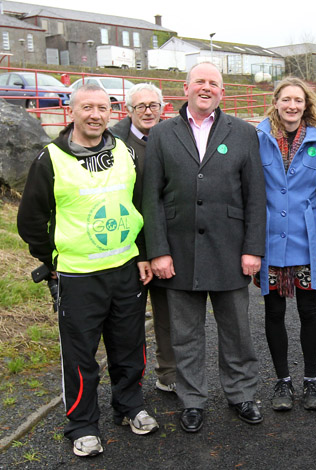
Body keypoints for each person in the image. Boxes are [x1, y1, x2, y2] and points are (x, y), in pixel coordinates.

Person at [17, 84, 159, 458]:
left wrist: (142, 253)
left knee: (130, 348)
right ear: (72, 110)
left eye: (102, 107)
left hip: (125, 269)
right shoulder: (50, 159)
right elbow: (31, 220)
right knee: (80, 356)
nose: (95, 114)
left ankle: (130, 407)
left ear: (110, 112)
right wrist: (52, 260)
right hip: (77, 277)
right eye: (87, 107)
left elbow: (138, 207)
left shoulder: (126, 152)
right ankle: (82, 425)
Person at [142, 62, 267, 433]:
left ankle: (242, 394)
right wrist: (158, 250)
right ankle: (192, 400)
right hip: (178, 252)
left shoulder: (243, 133)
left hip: (230, 249)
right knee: (185, 334)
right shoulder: (162, 134)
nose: (206, 87)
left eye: (214, 83)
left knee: (237, 332)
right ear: (186, 88)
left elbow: (255, 196)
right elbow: (152, 199)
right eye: (200, 81)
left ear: (222, 92)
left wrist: (252, 248)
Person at [254, 77, 316, 411]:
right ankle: (283, 382)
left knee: (308, 311)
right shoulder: (257, 138)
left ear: (307, 104)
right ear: (276, 102)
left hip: (305, 239)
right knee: (274, 312)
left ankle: (311, 382)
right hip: (270, 240)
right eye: (286, 99)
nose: (292, 106)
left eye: (298, 101)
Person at [110, 83, 177, 394]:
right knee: (128, 321)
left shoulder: (172, 137)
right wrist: (139, 252)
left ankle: (169, 375)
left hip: (163, 243)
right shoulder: (114, 144)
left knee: (168, 316)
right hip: (128, 246)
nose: (148, 111)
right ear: (128, 111)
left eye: (154, 105)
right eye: (141, 106)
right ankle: (129, 386)